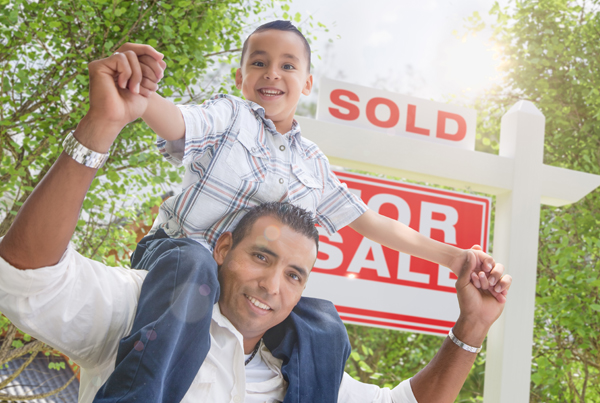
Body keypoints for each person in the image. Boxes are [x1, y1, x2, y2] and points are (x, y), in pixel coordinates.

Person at [0, 31, 511, 402]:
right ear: (241, 76)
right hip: (176, 260)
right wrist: (137, 101)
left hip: (221, 280)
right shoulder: (230, 118)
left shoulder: (312, 163)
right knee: (194, 271)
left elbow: (370, 222)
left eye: (288, 66)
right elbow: (180, 121)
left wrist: (455, 257)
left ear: (307, 81)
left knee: (323, 323)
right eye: (259, 62)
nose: (273, 73)